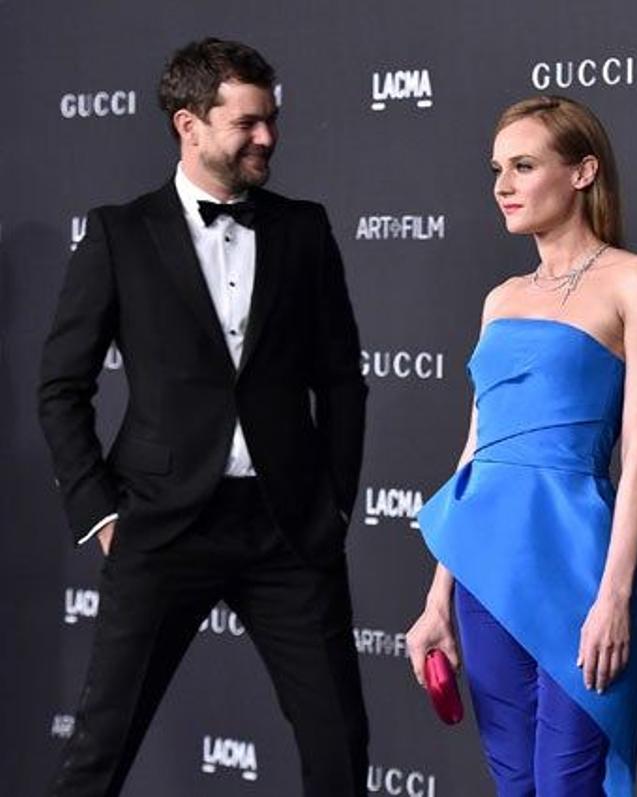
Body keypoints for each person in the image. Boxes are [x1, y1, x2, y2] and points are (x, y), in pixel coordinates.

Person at [38, 38, 369, 796]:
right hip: (160, 525)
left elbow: (343, 382)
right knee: (97, 752)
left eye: (272, 119)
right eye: (248, 122)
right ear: (189, 124)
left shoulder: (303, 229)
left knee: (340, 749)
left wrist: (336, 501)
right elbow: (61, 385)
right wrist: (99, 513)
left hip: (286, 526)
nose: (268, 137)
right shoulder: (119, 234)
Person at [405, 95, 637, 796]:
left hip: (582, 566)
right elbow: (476, 451)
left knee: (567, 782)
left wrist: (614, 595)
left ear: (583, 171)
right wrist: (438, 597)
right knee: (515, 780)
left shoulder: (635, 280)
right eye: (498, 167)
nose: (503, 185)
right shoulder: (500, 298)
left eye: (524, 165)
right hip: (486, 565)